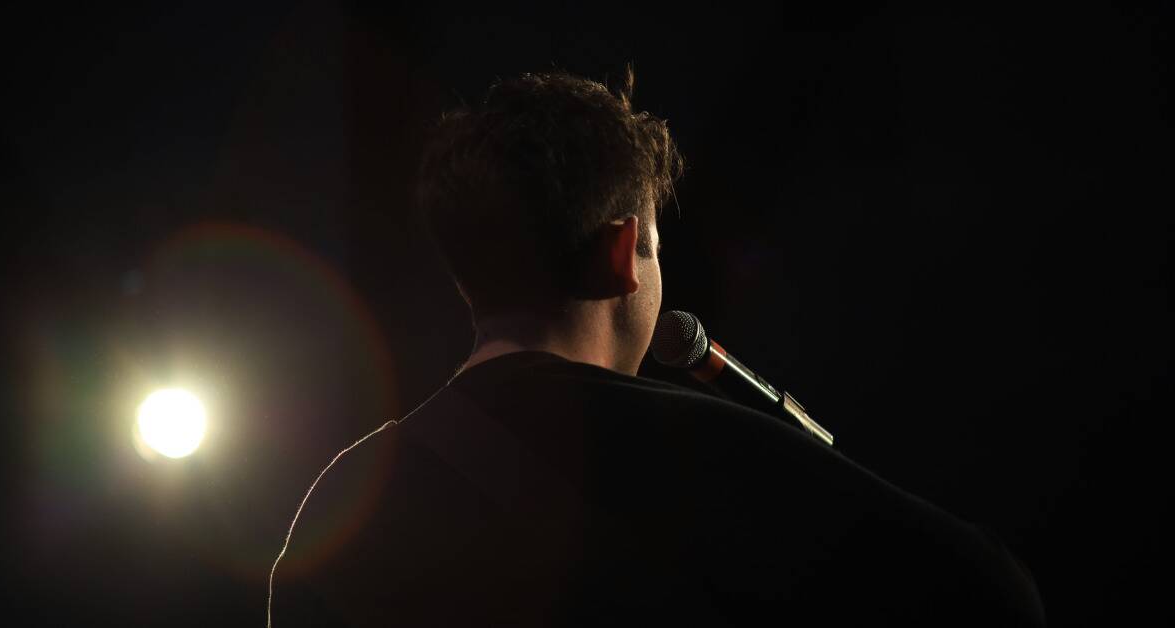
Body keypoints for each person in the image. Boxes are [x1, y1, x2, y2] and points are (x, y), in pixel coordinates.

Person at [267, 67, 1045, 626]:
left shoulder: (341, 502)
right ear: (622, 253)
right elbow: (994, 592)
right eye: (657, 247)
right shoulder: (710, 449)